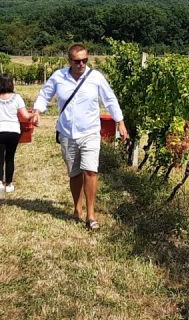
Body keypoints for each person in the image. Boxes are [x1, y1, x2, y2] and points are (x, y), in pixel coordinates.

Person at [34, 44, 127, 230]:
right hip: (67, 133)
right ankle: (77, 208)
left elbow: (109, 99)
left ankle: (91, 214)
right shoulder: (59, 77)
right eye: (77, 61)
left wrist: (120, 122)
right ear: (69, 61)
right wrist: (37, 111)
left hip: (90, 132)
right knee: (74, 173)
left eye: (85, 60)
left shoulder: (95, 77)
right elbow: (45, 94)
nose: (81, 64)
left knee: (90, 171)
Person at [0, 74, 36, 198]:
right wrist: (33, 114)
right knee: (10, 158)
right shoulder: (17, 98)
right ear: (11, 84)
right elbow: (25, 116)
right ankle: (9, 184)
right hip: (13, 131)